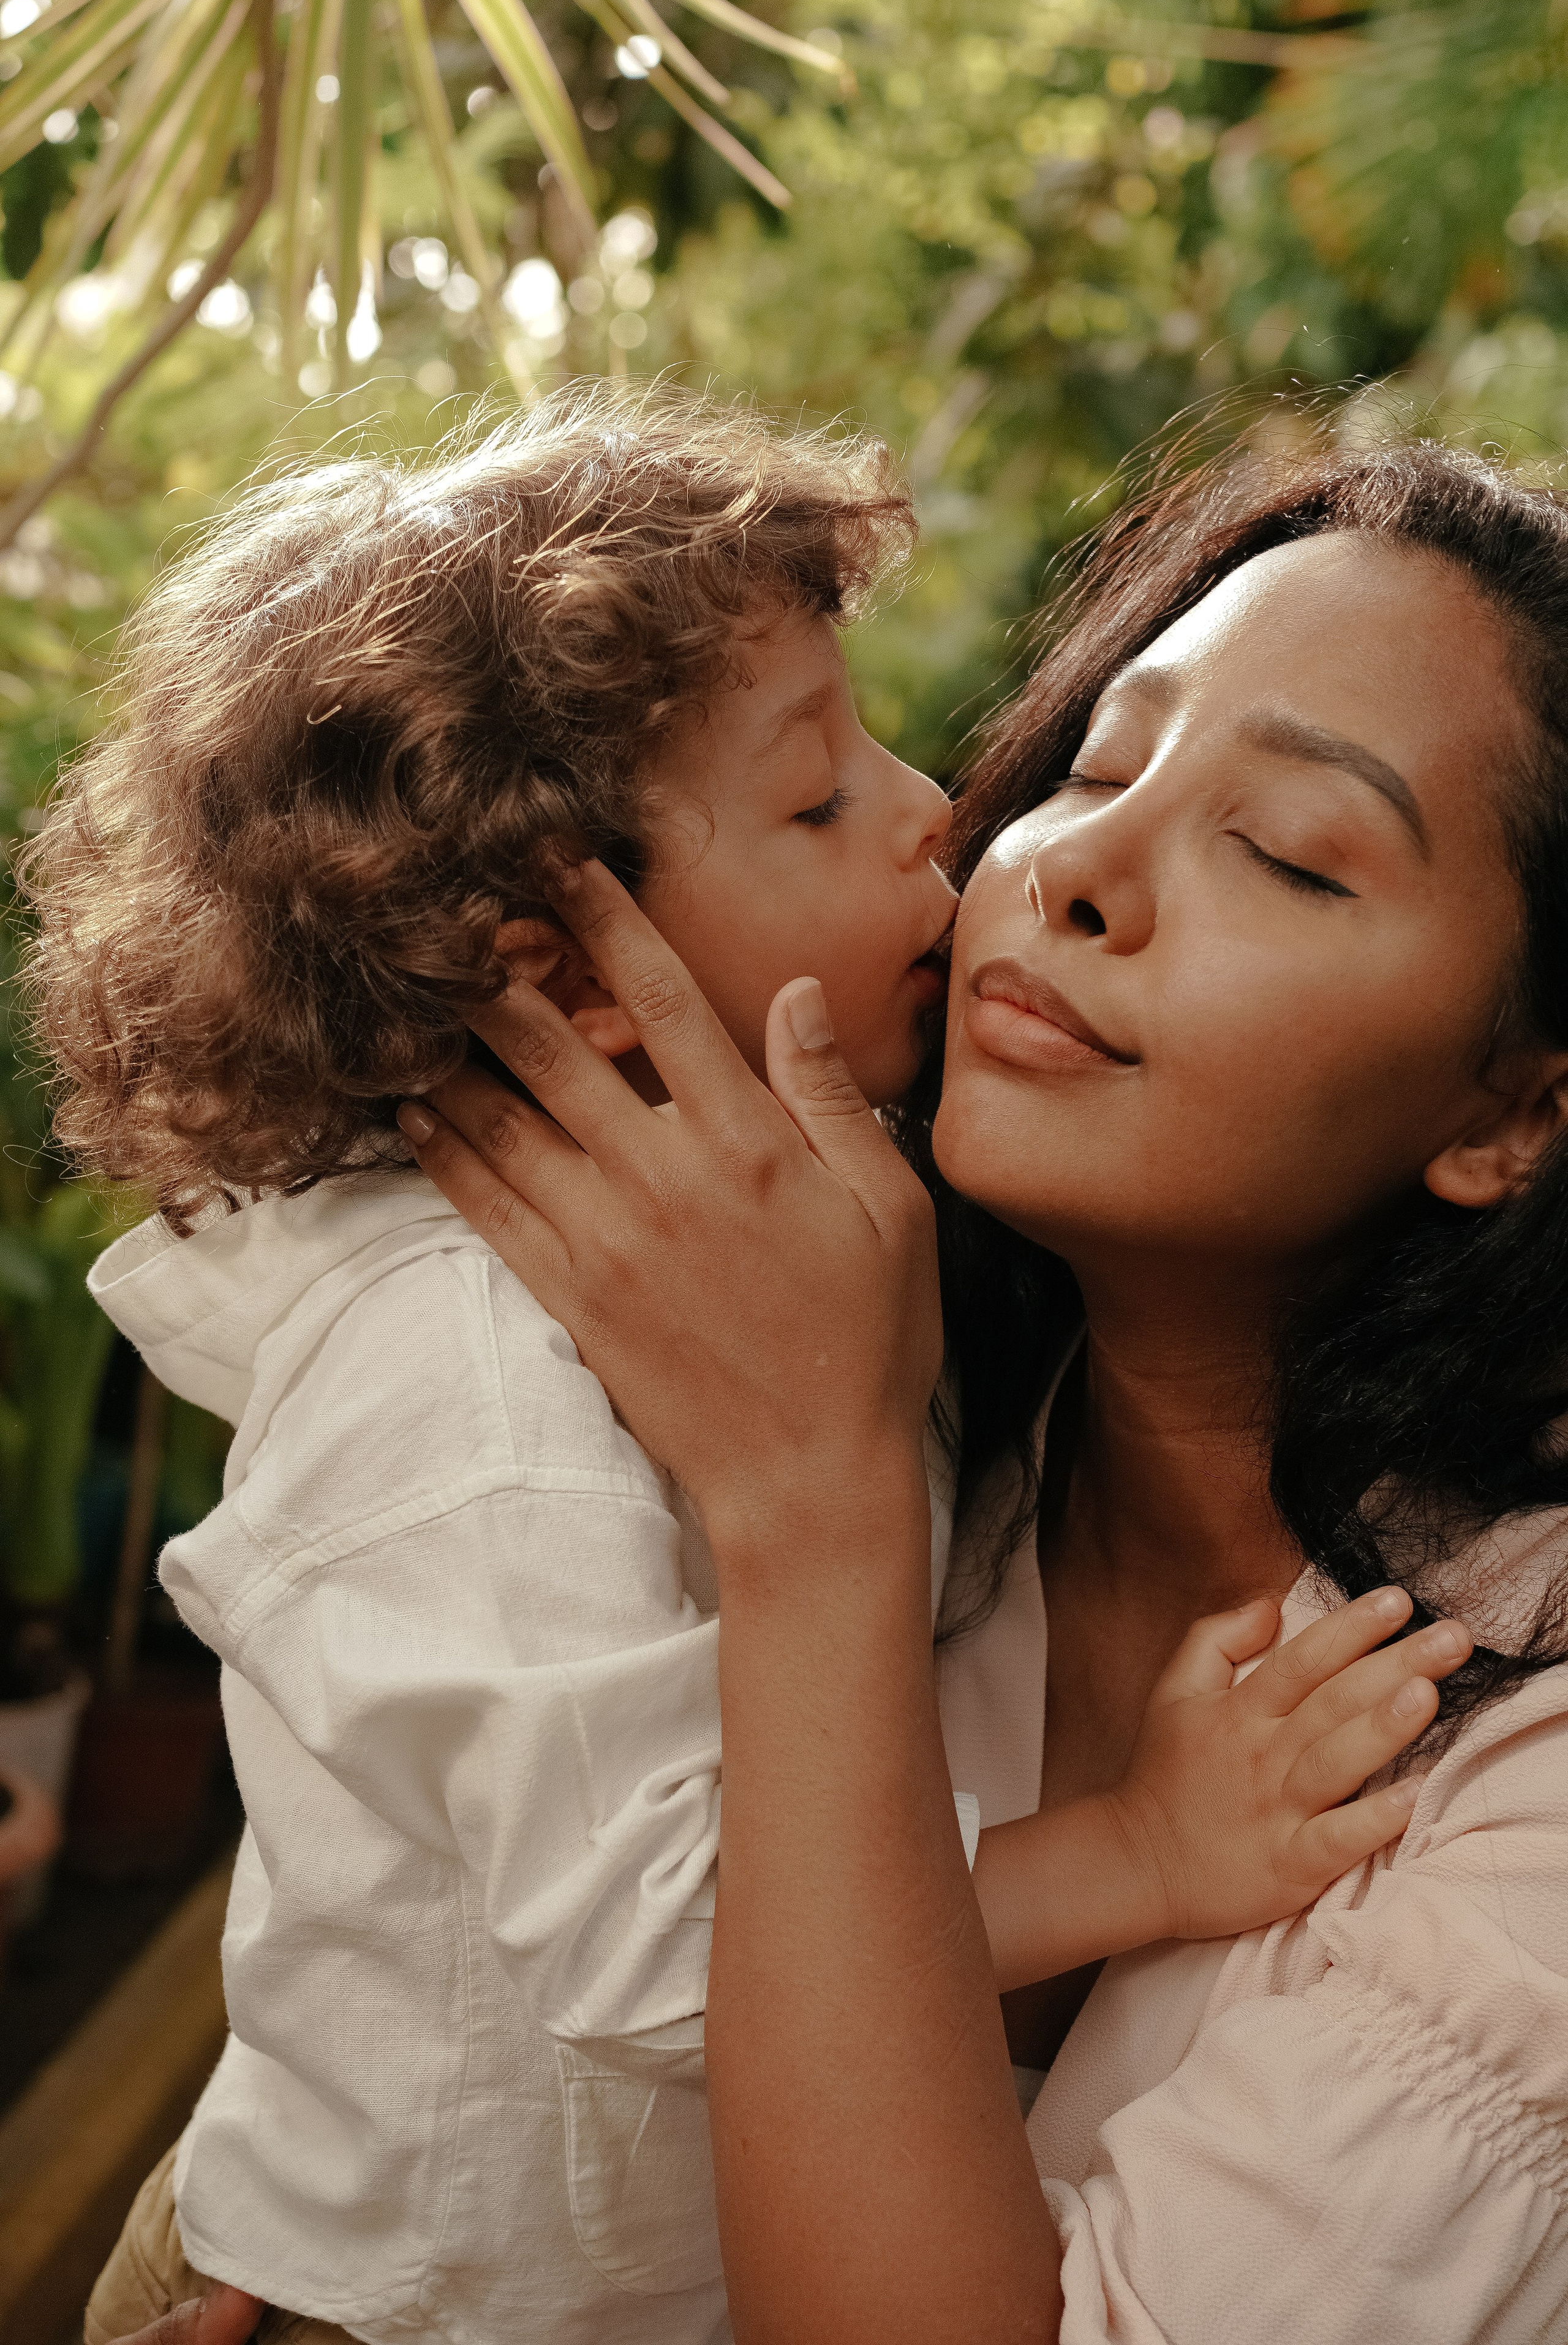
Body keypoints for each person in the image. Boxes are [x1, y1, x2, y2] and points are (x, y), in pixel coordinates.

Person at [41, 388, 1447, 2345]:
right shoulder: (464, 1378)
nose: (938, 805)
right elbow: (685, 1946)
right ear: (560, 968)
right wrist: (1140, 1850)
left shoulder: (831, 1253)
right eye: (814, 797)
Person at [397, 435, 1568, 2343]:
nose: (1065, 868)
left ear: (1513, 1111)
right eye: (1106, 761)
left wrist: (815, 1524)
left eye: (1283, 849)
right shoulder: (828, 1380)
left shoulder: (1530, 1788)